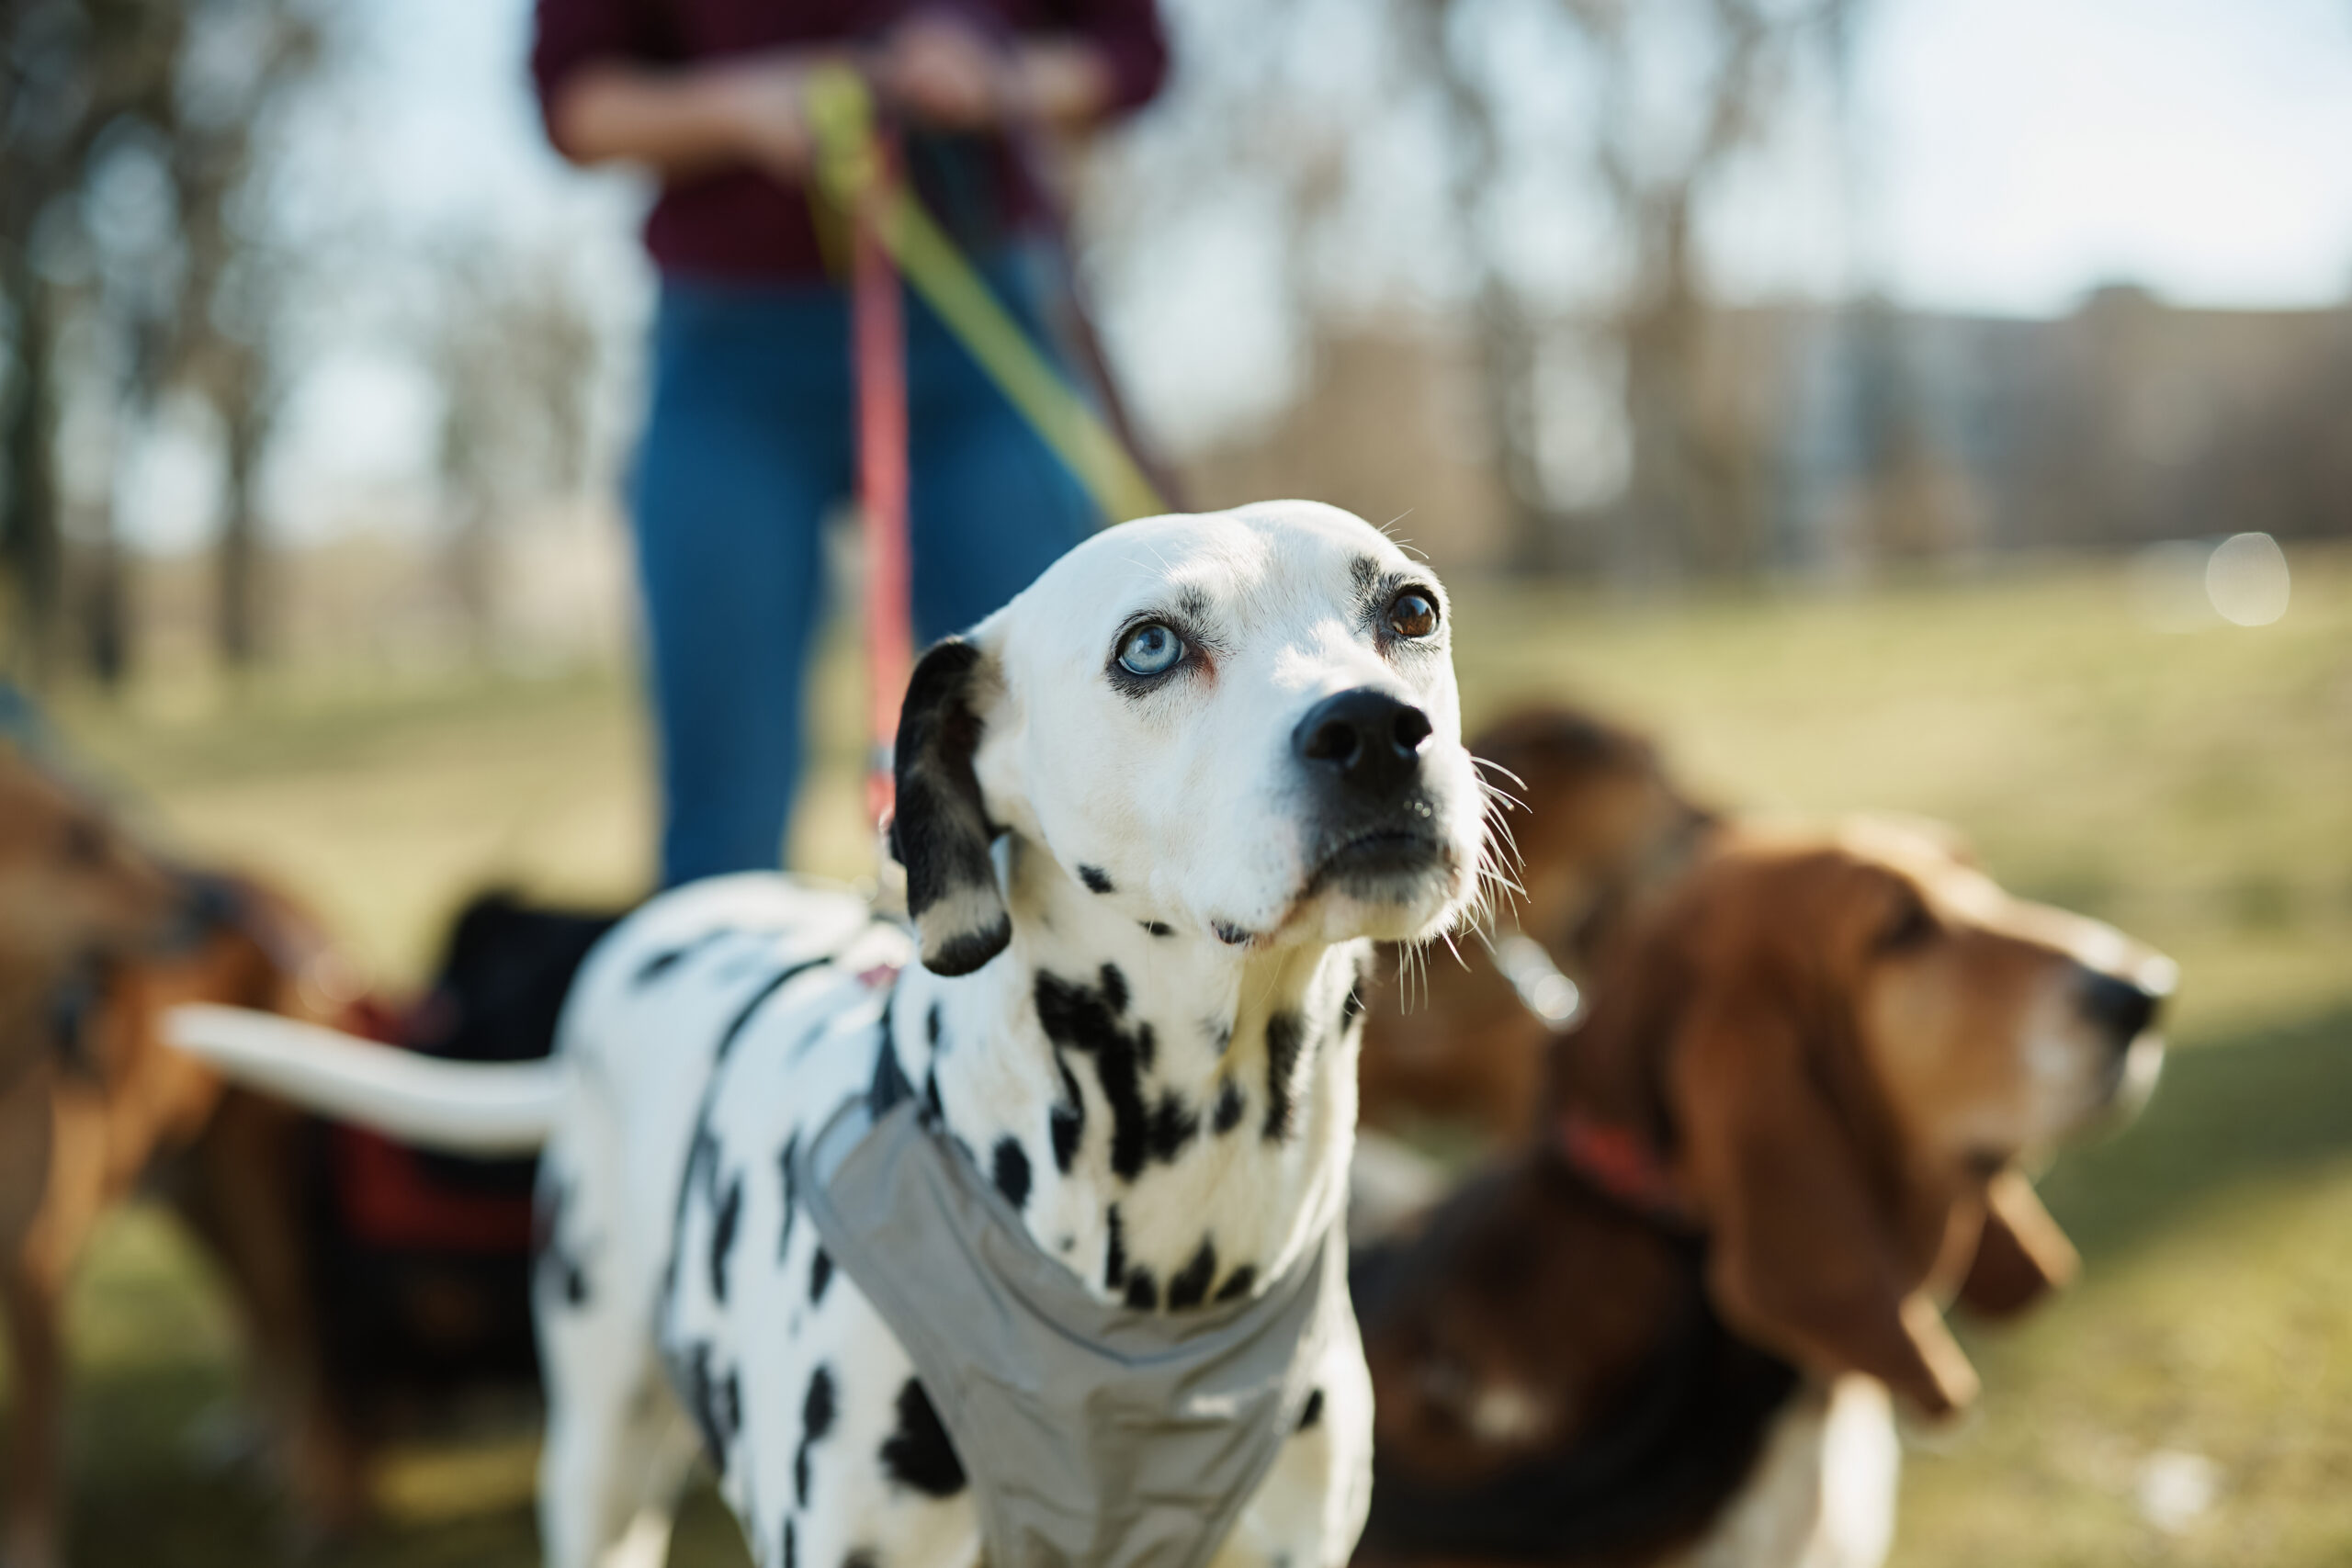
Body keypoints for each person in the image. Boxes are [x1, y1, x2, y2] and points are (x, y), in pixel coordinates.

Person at [532, 1, 1168, 886]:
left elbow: (1131, 54)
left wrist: (997, 77)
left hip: (977, 308)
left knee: (1054, 753)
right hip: (728, 348)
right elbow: (574, 99)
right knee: (723, 812)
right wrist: (739, 104)